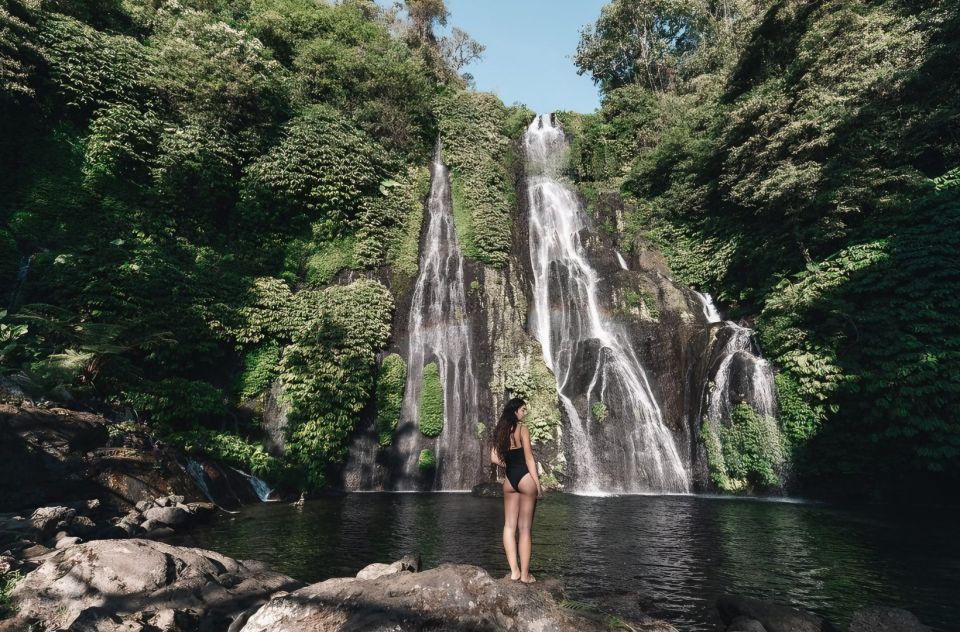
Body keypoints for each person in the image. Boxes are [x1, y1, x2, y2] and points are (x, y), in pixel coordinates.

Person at [489, 397, 542, 583]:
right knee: (525, 528)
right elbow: (529, 459)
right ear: (515, 411)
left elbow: (494, 458)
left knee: (509, 526)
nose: (524, 413)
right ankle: (526, 576)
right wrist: (538, 486)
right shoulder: (522, 429)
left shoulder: (500, 432)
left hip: (509, 480)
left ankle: (514, 572)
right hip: (525, 478)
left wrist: (509, 465)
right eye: (523, 410)